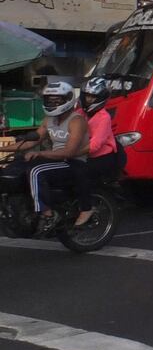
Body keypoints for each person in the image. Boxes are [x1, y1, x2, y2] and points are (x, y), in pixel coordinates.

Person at [0, 82, 88, 233]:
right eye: (49, 100)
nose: (52, 103)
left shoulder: (76, 120)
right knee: (16, 165)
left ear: (67, 99)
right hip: (54, 160)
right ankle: (21, 208)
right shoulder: (49, 120)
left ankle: (48, 214)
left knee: (36, 171)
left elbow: (70, 151)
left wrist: (40, 153)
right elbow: (33, 140)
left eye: (56, 100)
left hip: (72, 163)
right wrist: (2, 148)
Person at [71, 77, 118, 227]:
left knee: (80, 172)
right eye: (87, 96)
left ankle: (87, 208)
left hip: (102, 158)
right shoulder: (80, 113)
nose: (88, 100)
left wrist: (72, 152)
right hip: (81, 154)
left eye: (93, 97)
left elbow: (95, 146)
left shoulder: (103, 118)